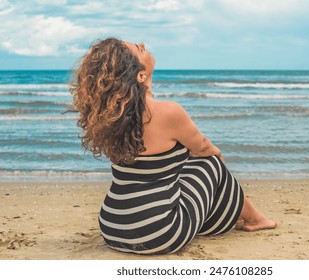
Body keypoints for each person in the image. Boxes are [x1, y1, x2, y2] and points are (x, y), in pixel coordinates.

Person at [70, 37, 276, 255]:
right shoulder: (168, 112)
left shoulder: (110, 119)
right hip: (159, 234)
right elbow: (204, 148)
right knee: (211, 163)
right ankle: (255, 218)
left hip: (112, 229)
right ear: (141, 75)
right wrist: (220, 168)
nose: (142, 44)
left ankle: (236, 216)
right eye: (139, 49)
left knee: (184, 170)